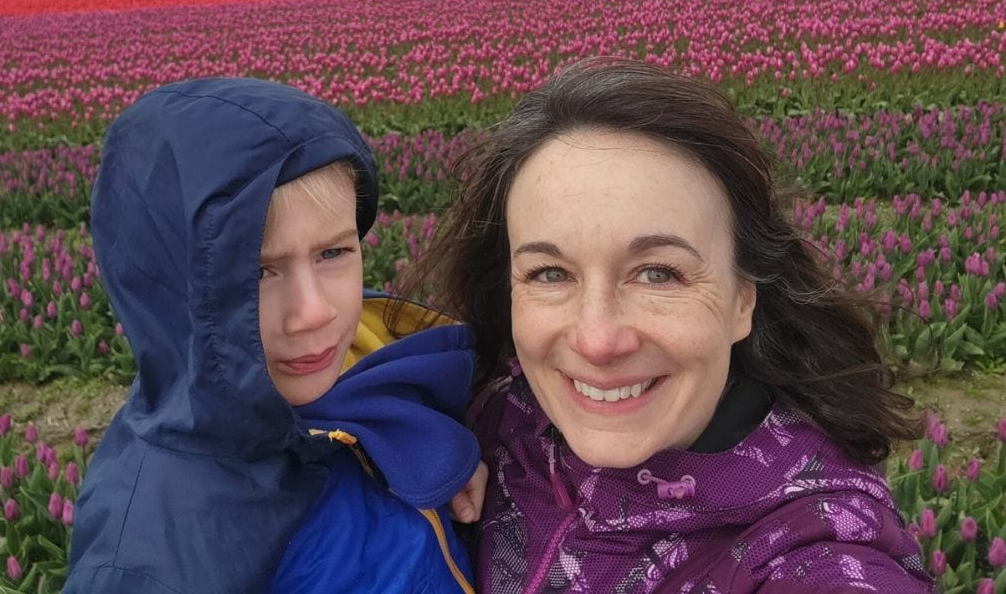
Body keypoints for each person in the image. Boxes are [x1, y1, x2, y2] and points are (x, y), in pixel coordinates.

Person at [410, 59, 933, 592]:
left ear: (743, 299)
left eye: (658, 273)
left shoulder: (809, 551)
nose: (597, 339)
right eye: (550, 273)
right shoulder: (493, 414)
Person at [65, 78, 484, 593]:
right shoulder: (149, 561)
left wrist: (451, 462)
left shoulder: (387, 362)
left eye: (333, 253)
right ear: (169, 293)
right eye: (259, 272)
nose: (311, 313)